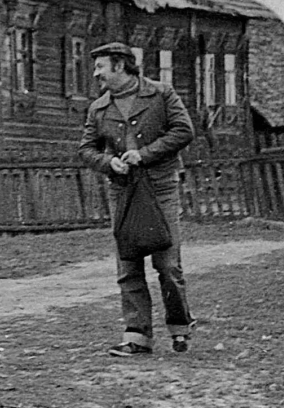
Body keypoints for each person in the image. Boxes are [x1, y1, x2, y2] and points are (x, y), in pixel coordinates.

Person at [76, 40, 196, 357]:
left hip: (161, 188)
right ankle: (137, 337)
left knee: (167, 264)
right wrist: (108, 163)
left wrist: (144, 154)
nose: (96, 73)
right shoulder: (98, 108)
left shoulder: (161, 94)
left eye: (100, 66)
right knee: (128, 265)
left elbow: (183, 131)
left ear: (120, 65)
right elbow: (86, 149)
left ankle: (180, 326)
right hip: (123, 192)